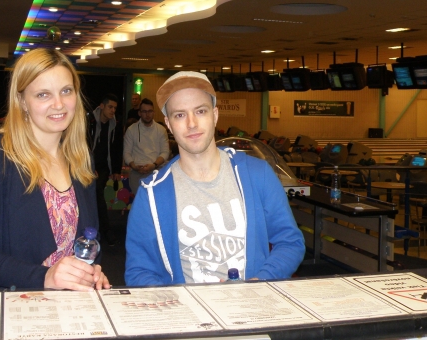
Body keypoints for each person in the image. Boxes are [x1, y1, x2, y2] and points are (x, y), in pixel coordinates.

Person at [125, 71, 305, 286]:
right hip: (186, 306)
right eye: (180, 115)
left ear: (215, 115)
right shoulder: (152, 193)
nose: (191, 123)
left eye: (200, 111)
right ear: (168, 124)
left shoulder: (257, 174)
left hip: (252, 302)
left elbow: (290, 242)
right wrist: (177, 300)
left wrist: (258, 283)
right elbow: (139, 270)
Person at [0, 48, 111, 291]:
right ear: (22, 101)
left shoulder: (80, 159)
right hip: (10, 303)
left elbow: (90, 238)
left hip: (66, 305)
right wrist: (44, 277)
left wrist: (90, 269)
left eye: (66, 91)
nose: (59, 104)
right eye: (43, 94)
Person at [86, 94, 123, 245]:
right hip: (86, 164)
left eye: (115, 108)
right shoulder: (89, 121)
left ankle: (105, 229)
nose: (113, 110)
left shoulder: (115, 125)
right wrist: (89, 166)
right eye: (110, 107)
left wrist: (116, 170)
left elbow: (117, 148)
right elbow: (82, 145)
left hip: (102, 167)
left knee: (97, 189)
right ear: (102, 106)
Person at [123, 98, 170, 195]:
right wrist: (134, 166)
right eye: (144, 111)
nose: (147, 114)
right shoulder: (131, 130)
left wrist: (154, 165)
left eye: (150, 111)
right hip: (137, 172)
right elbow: (126, 153)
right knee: (140, 202)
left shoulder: (161, 130)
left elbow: (165, 152)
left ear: (154, 112)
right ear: (139, 113)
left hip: (157, 171)